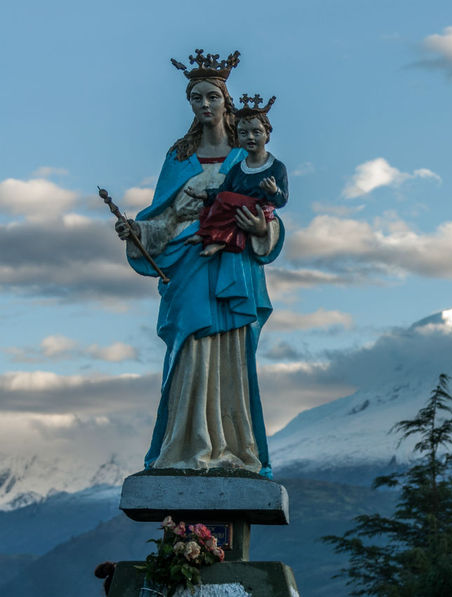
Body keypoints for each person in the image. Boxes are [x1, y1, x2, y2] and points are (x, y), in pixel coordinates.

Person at [115, 50, 282, 478]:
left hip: (233, 266)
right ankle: (186, 446)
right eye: (196, 98)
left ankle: (232, 446)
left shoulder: (244, 154)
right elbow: (163, 217)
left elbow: (269, 212)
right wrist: (138, 233)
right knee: (189, 351)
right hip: (188, 262)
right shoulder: (179, 156)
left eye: (212, 97)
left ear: (226, 101)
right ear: (189, 104)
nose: (205, 105)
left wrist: (259, 227)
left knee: (230, 358)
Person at [185, 93, 288, 257]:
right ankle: (209, 237)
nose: (250, 137)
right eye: (243, 133)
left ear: (267, 134)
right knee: (213, 208)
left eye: (256, 132)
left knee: (226, 202)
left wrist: (273, 190)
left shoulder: (276, 167)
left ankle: (215, 240)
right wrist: (203, 194)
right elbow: (223, 190)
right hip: (238, 209)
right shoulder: (238, 169)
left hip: (259, 210)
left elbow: (282, 199)